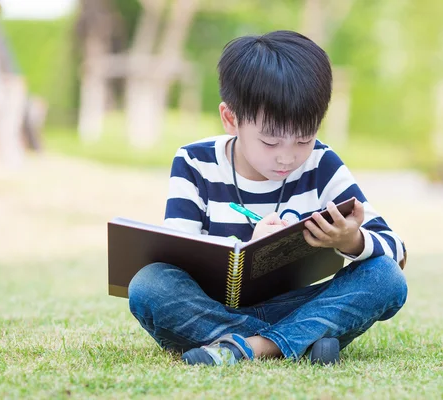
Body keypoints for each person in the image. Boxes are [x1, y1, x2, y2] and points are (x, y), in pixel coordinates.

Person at [128, 30, 408, 367]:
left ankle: (247, 348)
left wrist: (351, 240)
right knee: (149, 286)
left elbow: (397, 251)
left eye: (304, 139)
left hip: (297, 305)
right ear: (231, 119)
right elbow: (179, 255)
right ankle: (299, 341)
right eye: (270, 143)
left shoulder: (322, 164)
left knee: (385, 277)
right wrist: (249, 246)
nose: (287, 157)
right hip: (213, 308)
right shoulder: (194, 162)